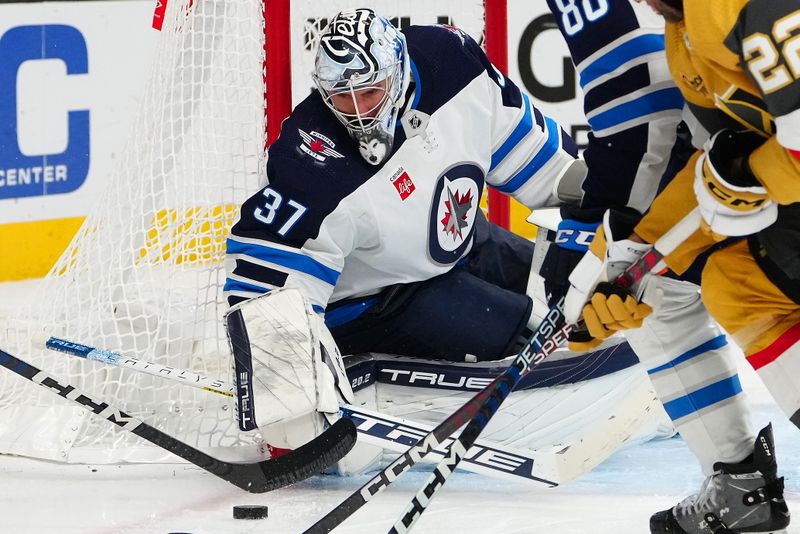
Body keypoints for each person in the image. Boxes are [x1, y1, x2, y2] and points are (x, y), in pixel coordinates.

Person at [222, 7, 592, 463]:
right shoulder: (311, 163)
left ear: (397, 70)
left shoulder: (451, 61)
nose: (357, 111)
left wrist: (593, 203)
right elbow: (263, 291)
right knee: (527, 335)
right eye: (341, 97)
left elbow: (530, 152)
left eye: (369, 91)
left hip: (457, 242)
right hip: (376, 300)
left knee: (576, 293)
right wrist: (288, 417)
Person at [561, 0, 798, 532]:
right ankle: (740, 486)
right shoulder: (683, 26)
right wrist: (631, 259)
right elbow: (720, 157)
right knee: (736, 284)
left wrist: (755, 171)